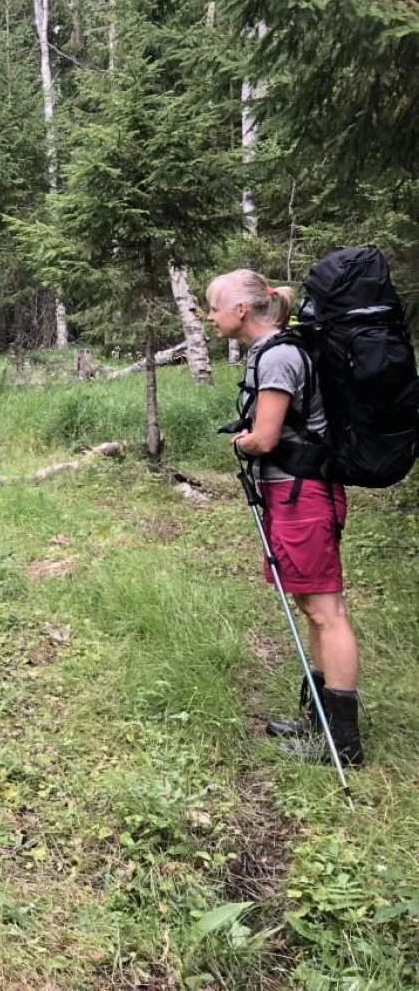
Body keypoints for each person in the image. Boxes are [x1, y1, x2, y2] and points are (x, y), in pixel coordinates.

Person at [206, 269, 362, 767]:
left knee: (325, 611)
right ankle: (318, 716)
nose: (209, 317)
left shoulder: (276, 357)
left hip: (304, 495)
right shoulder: (274, 352)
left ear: (241, 311)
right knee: (311, 609)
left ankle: (343, 744)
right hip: (293, 494)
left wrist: (240, 441)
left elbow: (266, 438)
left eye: (213, 308)